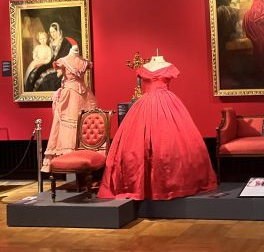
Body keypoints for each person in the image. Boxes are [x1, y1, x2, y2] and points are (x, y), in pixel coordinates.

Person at [98, 54, 217, 200]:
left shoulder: (169, 66)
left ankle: (171, 185)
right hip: (145, 105)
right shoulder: (143, 68)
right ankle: (142, 185)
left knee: (169, 142)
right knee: (137, 144)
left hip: (167, 105)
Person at [41, 45, 97, 172]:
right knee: (79, 123)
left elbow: (58, 74)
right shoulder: (84, 62)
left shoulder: (64, 61)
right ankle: (75, 157)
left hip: (70, 94)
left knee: (68, 124)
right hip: (84, 95)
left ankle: (71, 157)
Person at [25, 22, 75, 92]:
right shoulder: (50, 42)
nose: (52, 34)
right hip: (50, 63)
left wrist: (60, 67)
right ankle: (31, 93)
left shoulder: (65, 42)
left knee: (46, 79)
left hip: (61, 66)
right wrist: (41, 62)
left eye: (54, 31)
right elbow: (48, 56)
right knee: (35, 72)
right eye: (51, 32)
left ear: (58, 31)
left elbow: (67, 56)